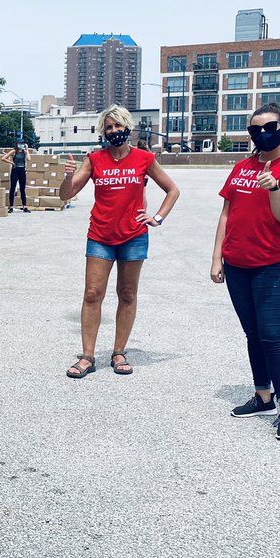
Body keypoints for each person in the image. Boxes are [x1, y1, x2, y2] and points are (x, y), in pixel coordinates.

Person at [211, 103, 280, 442]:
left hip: (276, 265)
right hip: (237, 264)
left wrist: (274, 187)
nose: (262, 134)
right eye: (255, 130)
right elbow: (227, 214)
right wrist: (216, 258)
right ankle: (263, 397)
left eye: (269, 127)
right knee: (253, 334)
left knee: (274, 335)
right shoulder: (241, 167)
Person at [59, 105, 180, 378]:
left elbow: (173, 190)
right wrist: (68, 176)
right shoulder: (94, 159)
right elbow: (66, 195)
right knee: (92, 294)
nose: (114, 131)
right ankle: (87, 356)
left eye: (118, 126)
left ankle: (118, 351)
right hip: (100, 236)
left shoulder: (144, 159)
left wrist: (158, 217)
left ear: (128, 128)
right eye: (109, 127)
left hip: (133, 237)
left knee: (127, 294)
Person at [1, 140, 29, 212]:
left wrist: (27, 149)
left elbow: (29, 159)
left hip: (22, 170)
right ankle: (11, 206)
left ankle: (24, 206)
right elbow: (3, 158)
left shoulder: (24, 152)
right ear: (16, 144)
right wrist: (11, 162)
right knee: (12, 188)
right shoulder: (13, 151)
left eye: (22, 143)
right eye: (20, 143)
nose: (21, 145)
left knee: (22, 189)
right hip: (15, 170)